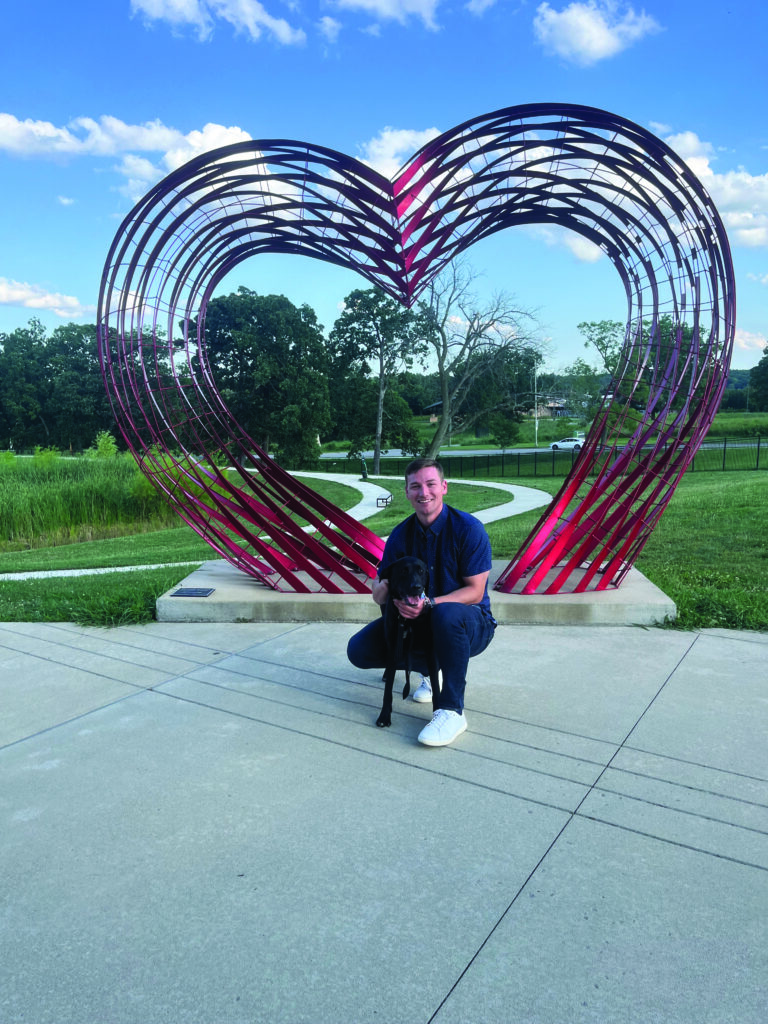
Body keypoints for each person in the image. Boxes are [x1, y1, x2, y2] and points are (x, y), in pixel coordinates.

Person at [347, 458, 496, 747]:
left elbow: (476, 592)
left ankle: (452, 711)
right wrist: (381, 590)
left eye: (430, 484)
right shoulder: (401, 535)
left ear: (444, 487)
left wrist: (429, 603)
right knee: (359, 650)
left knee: (445, 615)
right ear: (406, 492)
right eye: (415, 486)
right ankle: (431, 669)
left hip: (470, 623)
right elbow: (380, 586)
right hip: (418, 624)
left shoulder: (468, 529)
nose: (423, 492)